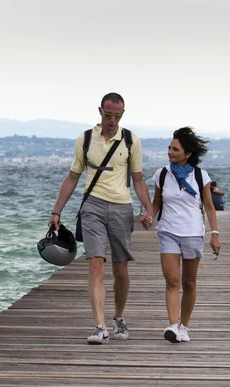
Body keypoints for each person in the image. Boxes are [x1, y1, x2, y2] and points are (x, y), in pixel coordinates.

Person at [48, 92, 154, 345]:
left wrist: (148, 210)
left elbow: (138, 179)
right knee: (95, 264)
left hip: (121, 207)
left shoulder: (131, 140)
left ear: (123, 114)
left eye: (118, 115)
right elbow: (73, 177)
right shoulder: (85, 139)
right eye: (108, 115)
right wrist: (56, 211)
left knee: (120, 267)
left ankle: (118, 317)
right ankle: (100, 326)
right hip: (92, 205)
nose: (112, 120)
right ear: (100, 112)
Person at [151, 127, 220, 343]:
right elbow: (156, 204)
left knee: (189, 283)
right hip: (168, 232)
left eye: (175, 149)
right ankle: (172, 326)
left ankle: (184, 326)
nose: (170, 152)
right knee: (172, 280)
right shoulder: (162, 174)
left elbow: (209, 207)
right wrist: (147, 216)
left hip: (192, 233)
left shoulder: (200, 176)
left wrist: (214, 233)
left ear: (187, 153)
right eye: (169, 148)